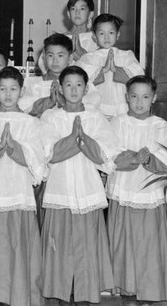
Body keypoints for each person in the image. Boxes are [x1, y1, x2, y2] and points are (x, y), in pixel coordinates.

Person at [40, 66, 117, 305]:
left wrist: (82, 141)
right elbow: (49, 154)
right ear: (60, 88)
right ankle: (61, 295)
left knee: (86, 247)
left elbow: (105, 155)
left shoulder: (96, 117)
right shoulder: (50, 117)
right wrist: (78, 140)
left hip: (87, 189)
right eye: (68, 85)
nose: (73, 90)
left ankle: (85, 295)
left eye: (79, 84)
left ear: (86, 88)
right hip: (59, 189)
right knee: (59, 245)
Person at [0, 67, 45, 306]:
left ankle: (21, 293)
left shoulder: (31, 122)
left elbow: (37, 160)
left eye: (13, 89)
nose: (8, 94)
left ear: (21, 91)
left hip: (18, 188)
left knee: (18, 240)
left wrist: (14, 147)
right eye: (2, 88)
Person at [107, 75, 167, 306]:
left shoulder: (160, 126)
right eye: (134, 96)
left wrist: (149, 160)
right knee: (124, 243)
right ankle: (128, 291)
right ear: (127, 97)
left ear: (154, 98)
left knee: (149, 244)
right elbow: (109, 152)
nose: (139, 102)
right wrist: (132, 157)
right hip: (124, 191)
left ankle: (148, 292)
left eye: (145, 97)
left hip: (149, 195)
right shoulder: (117, 123)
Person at [77, 13, 144, 118]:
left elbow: (139, 79)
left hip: (123, 107)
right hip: (98, 109)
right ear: (94, 36)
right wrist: (103, 70)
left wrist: (116, 69)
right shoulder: (88, 58)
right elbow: (80, 81)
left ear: (118, 35)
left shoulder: (126, 55)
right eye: (102, 33)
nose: (107, 37)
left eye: (111, 33)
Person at [20, 33, 101, 117]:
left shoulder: (80, 82)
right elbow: (23, 109)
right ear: (44, 56)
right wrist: (49, 101)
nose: (55, 60)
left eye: (60, 55)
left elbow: (92, 105)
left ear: (70, 58)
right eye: (50, 55)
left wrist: (64, 102)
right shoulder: (31, 83)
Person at [38, 0, 97, 74]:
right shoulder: (59, 38)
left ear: (90, 14)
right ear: (69, 14)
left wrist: (82, 55)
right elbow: (43, 63)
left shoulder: (96, 39)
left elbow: (99, 69)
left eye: (82, 9)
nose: (77, 12)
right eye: (73, 9)